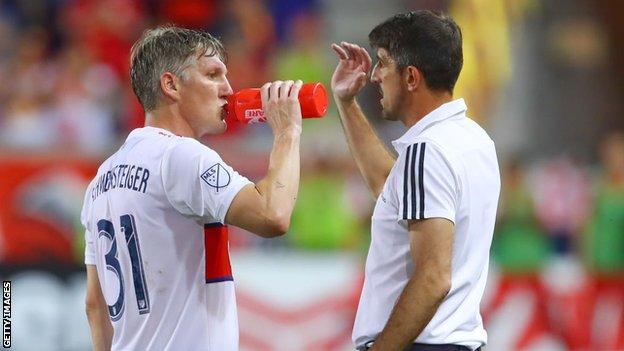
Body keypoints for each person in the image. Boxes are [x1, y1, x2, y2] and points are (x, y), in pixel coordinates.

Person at [81, 26, 303, 351]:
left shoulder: (101, 179)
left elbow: (95, 305)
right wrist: (287, 132)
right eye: (213, 74)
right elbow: (272, 214)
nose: (228, 88)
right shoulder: (180, 155)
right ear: (170, 85)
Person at [330, 11, 500, 351]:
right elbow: (387, 187)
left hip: (420, 344)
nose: (375, 76)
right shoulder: (474, 139)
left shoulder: (428, 150)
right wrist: (345, 102)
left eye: (382, 63)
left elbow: (433, 277)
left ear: (410, 77)